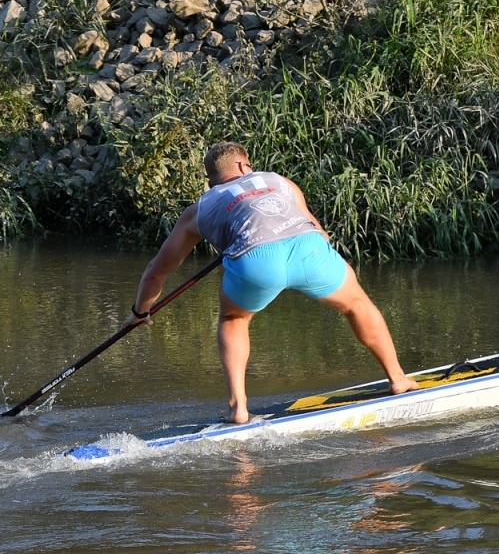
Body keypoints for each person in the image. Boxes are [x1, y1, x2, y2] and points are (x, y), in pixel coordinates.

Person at [129, 141, 419, 424]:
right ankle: (398, 378)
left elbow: (158, 271)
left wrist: (140, 312)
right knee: (357, 304)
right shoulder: (280, 181)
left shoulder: (199, 209)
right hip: (309, 251)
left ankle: (238, 408)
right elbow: (320, 232)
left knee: (233, 319)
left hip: (255, 263)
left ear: (211, 179)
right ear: (244, 165)